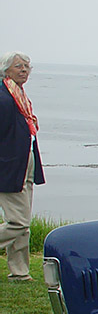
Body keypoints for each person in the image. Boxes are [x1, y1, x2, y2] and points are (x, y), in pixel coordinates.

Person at [1, 51, 45, 281]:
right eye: (19, 66)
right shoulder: (3, 97)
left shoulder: (19, 96)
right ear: (5, 69)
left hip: (25, 162)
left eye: (27, 66)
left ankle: (19, 272)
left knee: (24, 225)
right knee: (18, 223)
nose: (24, 70)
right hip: (8, 166)